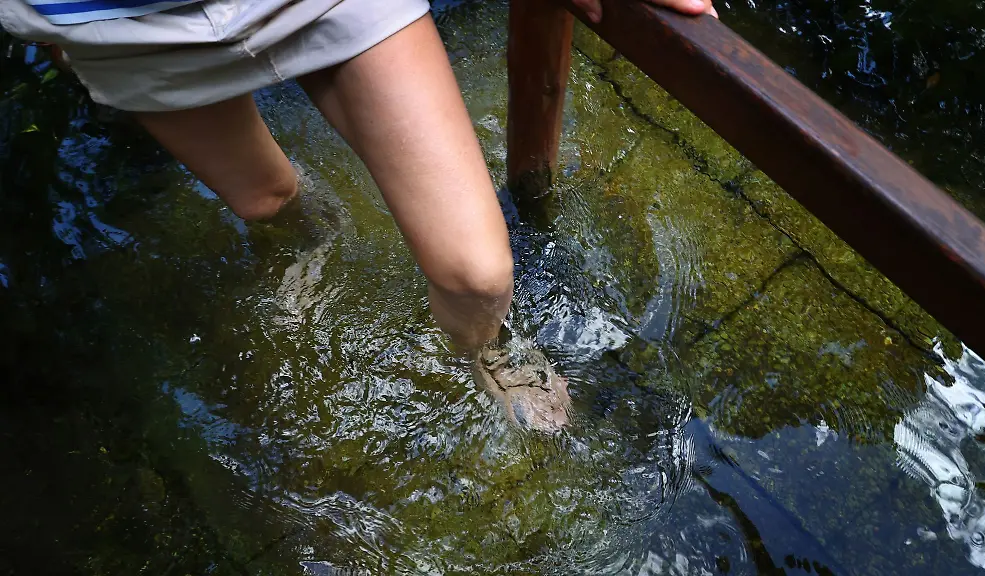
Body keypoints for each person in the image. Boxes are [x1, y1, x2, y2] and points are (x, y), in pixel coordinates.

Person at [0, 0, 715, 431]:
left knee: (478, 270)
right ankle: (317, 237)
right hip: (121, 24)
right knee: (268, 202)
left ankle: (484, 347)